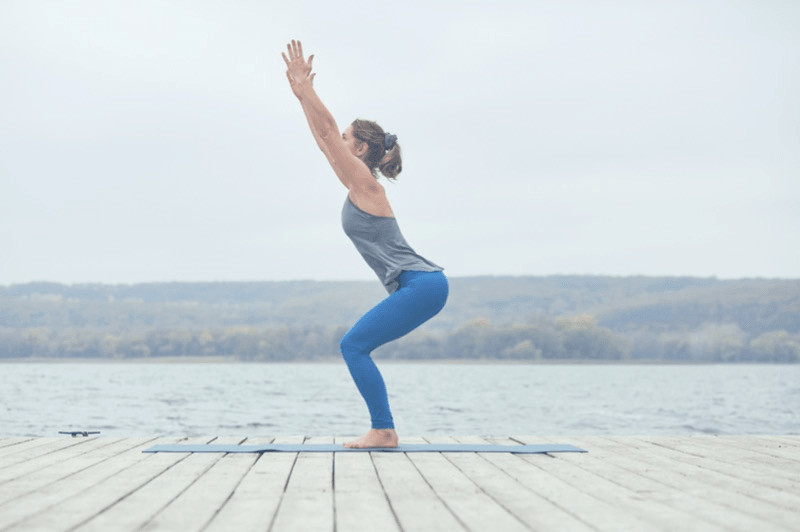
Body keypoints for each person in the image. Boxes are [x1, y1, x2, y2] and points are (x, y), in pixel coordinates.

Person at [282, 39, 448, 448]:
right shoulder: (358, 181)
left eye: (346, 137)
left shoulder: (365, 183)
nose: (338, 141)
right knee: (356, 345)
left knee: (353, 345)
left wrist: (306, 90)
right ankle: (383, 428)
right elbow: (324, 139)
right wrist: (300, 98)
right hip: (421, 285)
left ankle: (383, 430)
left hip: (422, 284)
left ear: (360, 149)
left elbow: (325, 133)